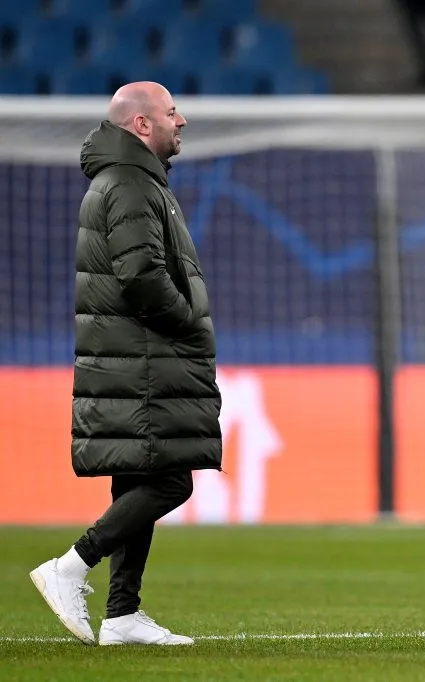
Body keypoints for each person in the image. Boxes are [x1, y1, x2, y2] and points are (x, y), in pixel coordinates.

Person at [29, 82, 222, 646]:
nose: (181, 121)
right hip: (142, 359)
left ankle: (121, 615)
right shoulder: (131, 184)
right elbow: (141, 276)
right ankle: (70, 566)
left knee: (140, 476)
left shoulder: (131, 179)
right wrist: (189, 321)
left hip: (133, 357)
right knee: (170, 481)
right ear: (142, 124)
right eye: (171, 112)